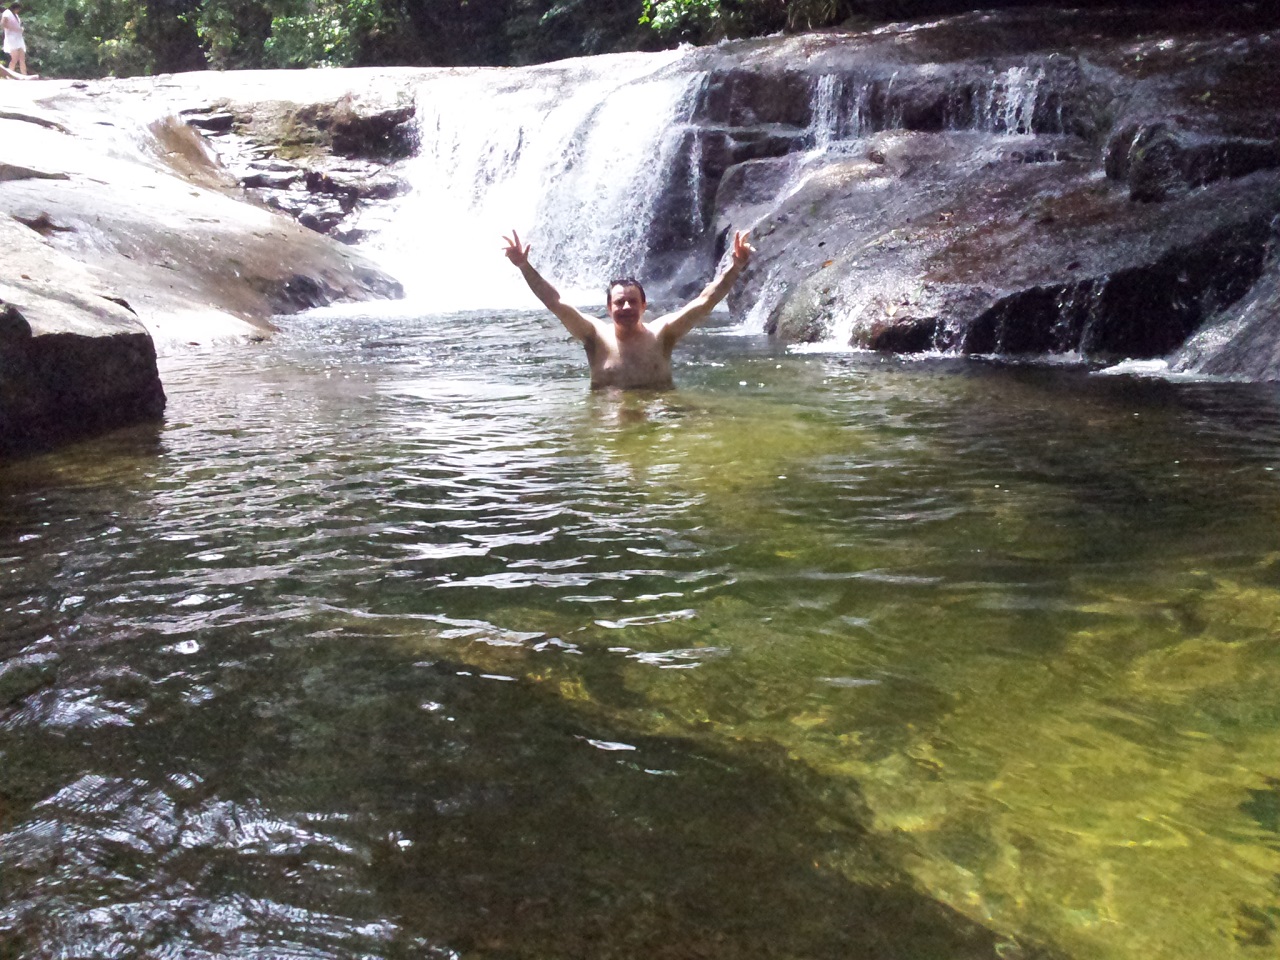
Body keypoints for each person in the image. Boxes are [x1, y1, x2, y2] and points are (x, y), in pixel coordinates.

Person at [502, 229, 755, 390]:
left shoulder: (663, 333)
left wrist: (735, 268)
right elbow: (554, 302)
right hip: (609, 421)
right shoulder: (594, 335)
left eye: (633, 301)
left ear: (644, 305)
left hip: (660, 414)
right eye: (619, 302)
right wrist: (524, 265)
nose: (626, 307)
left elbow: (704, 302)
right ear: (608, 308)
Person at [1, 2, 25, 76]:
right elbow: (2, 24)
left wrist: (20, 29)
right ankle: (10, 74)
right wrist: (14, 29)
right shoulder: (7, 13)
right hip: (11, 38)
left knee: (22, 58)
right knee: (14, 58)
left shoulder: (16, 15)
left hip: (18, 37)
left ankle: (24, 74)